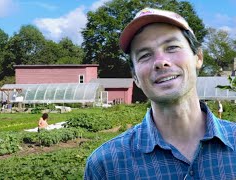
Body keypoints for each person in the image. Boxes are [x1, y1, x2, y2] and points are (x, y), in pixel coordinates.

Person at [84, 8, 236, 179]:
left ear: (198, 57)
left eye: (172, 47)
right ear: (135, 77)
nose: (160, 62)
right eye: (145, 55)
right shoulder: (105, 166)